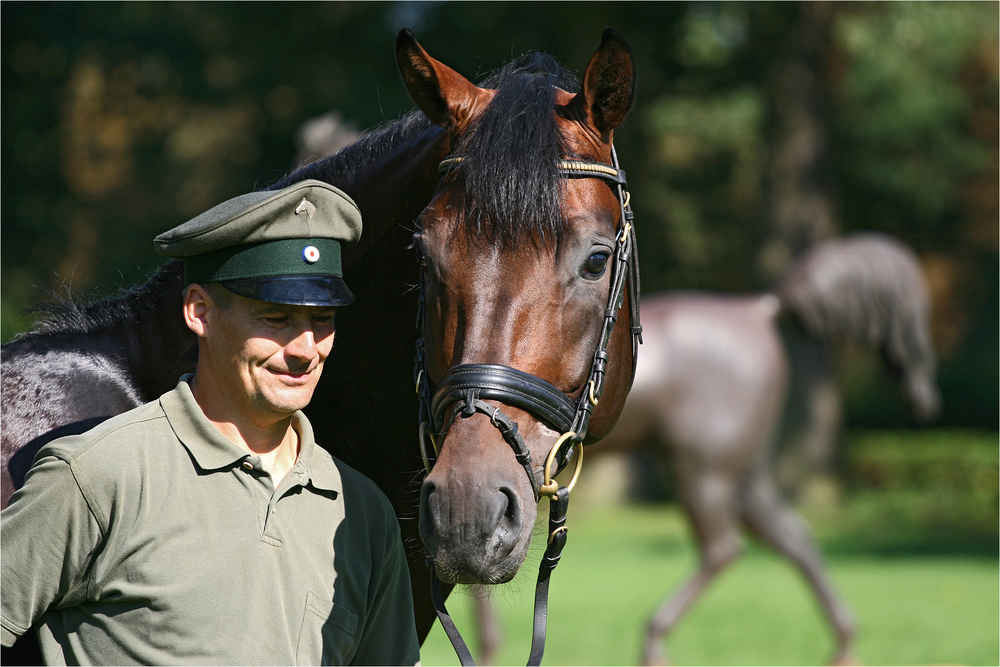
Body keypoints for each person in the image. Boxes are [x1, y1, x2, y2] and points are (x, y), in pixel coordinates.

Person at [1, 180, 421, 665]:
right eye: (277, 317)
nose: (307, 349)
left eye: (322, 318)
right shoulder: (98, 475)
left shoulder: (364, 515)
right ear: (199, 311)